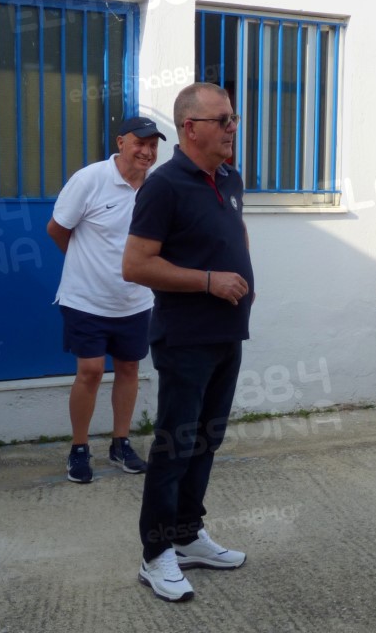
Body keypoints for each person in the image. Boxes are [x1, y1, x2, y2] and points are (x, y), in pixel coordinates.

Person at [123, 82, 252, 602]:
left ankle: (187, 534)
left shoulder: (230, 177)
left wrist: (244, 277)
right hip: (184, 338)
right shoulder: (164, 186)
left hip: (227, 332)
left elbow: (236, 233)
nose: (232, 128)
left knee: (206, 439)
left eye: (233, 118)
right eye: (223, 120)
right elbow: (136, 265)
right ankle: (156, 554)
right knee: (175, 445)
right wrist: (209, 281)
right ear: (191, 128)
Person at [47, 116, 166, 484]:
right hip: (86, 299)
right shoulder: (90, 179)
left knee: (129, 369)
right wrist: (86, 265)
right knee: (91, 371)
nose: (146, 152)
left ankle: (120, 444)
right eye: (139, 143)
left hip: (135, 301)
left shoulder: (157, 188)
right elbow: (57, 229)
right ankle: (79, 448)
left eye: (153, 145)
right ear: (120, 142)